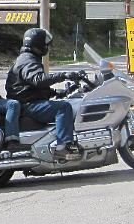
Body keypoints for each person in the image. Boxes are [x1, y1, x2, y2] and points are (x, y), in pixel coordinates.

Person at [5, 28, 84, 157]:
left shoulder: (26, 58)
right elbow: (38, 80)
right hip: (28, 104)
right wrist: (64, 75)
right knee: (63, 108)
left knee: (62, 103)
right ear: (39, 44)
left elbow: (30, 86)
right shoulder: (28, 60)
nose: (47, 47)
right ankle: (62, 147)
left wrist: (57, 93)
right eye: (46, 44)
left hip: (27, 101)